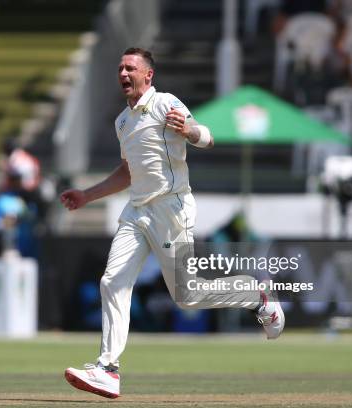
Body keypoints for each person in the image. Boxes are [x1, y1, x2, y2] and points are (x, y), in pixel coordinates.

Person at [60, 47, 285, 399]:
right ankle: (108, 369)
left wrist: (190, 131)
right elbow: (128, 172)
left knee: (187, 296)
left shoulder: (165, 103)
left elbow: (206, 137)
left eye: (130, 68)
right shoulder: (123, 121)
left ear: (147, 75)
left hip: (171, 209)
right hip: (137, 213)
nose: (123, 73)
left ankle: (256, 295)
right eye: (120, 67)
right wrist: (87, 195)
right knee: (112, 281)